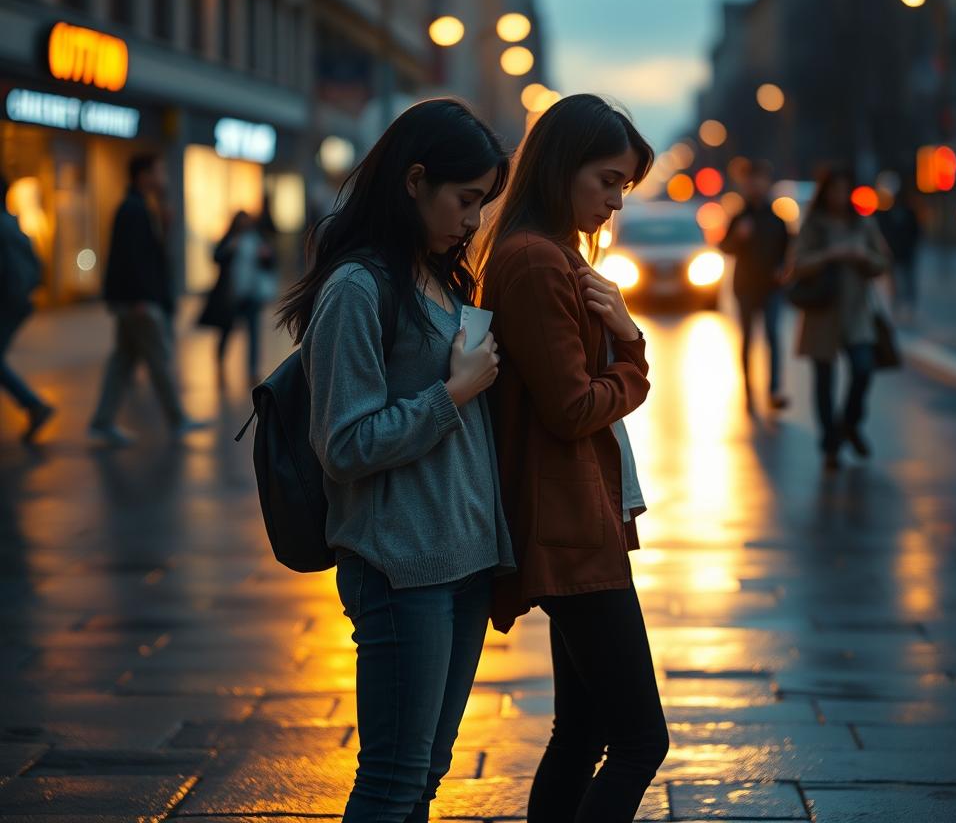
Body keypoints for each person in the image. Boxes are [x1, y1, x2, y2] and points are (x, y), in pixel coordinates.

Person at [277, 98, 514, 823]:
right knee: (391, 780)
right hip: (401, 566)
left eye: (483, 202)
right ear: (415, 181)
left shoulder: (440, 277)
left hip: (466, 560)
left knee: (426, 774)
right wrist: (454, 392)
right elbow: (344, 445)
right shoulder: (358, 288)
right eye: (466, 199)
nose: (473, 220)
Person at [480, 94, 668, 823]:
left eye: (623, 186)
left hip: (573, 520)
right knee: (639, 740)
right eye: (609, 181)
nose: (616, 202)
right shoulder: (536, 261)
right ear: (563, 167)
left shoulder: (547, 253)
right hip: (568, 529)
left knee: (584, 729)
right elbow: (572, 408)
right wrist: (630, 348)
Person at [89, 154, 210, 446]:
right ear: (144, 176)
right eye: (158, 172)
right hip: (139, 303)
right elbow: (131, 260)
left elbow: (151, 256)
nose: (163, 179)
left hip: (134, 301)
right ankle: (177, 419)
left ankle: (102, 422)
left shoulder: (142, 207)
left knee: (123, 360)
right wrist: (140, 299)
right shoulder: (133, 209)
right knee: (158, 359)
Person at [790, 166, 889, 471]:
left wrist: (862, 256)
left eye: (845, 189)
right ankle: (830, 445)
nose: (840, 196)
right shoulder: (814, 225)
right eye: (834, 189)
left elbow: (883, 261)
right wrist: (830, 254)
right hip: (822, 313)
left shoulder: (863, 224)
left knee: (863, 369)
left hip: (856, 312)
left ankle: (849, 423)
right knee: (824, 381)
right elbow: (798, 264)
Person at [719, 159, 791, 413]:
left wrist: (784, 269)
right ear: (745, 185)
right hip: (746, 286)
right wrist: (738, 237)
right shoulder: (739, 217)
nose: (756, 185)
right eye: (751, 181)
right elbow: (724, 247)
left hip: (771, 287)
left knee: (773, 335)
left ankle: (773, 391)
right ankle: (749, 392)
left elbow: (788, 250)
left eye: (760, 180)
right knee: (748, 339)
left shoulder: (777, 219)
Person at [0, 174, 55, 443]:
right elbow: (36, 267)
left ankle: (34, 405)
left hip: (8, 302)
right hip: (18, 302)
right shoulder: (13, 225)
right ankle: (34, 405)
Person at [199, 211, 277, 387]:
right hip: (232, 295)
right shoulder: (230, 239)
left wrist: (267, 256)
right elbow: (216, 257)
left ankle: (252, 371)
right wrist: (229, 249)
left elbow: (270, 262)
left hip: (252, 294)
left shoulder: (256, 239)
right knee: (226, 330)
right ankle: (219, 358)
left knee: (253, 334)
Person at [879, 182, 921, 323]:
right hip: (893, 254)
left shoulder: (909, 213)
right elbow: (883, 232)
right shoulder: (886, 214)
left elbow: (916, 232)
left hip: (906, 254)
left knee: (908, 281)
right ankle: (896, 307)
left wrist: (910, 246)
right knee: (894, 283)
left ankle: (909, 308)